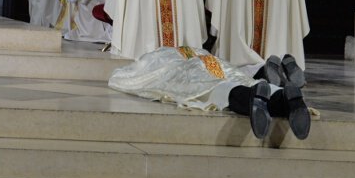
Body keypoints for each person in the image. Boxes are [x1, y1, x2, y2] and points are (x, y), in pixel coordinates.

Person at [108, 46, 311, 141]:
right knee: (242, 78)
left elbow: (125, 78)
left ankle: (253, 97)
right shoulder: (194, 50)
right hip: (213, 62)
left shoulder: (157, 57)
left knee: (215, 89)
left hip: (188, 71)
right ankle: (284, 97)